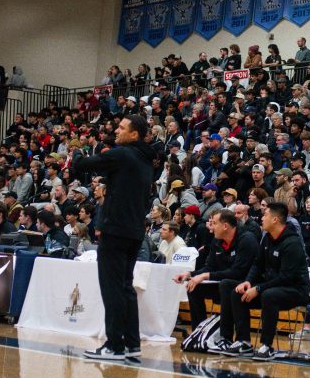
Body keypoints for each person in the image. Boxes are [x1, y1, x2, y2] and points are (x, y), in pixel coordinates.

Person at [71, 114, 162, 361]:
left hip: (115, 231)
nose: (117, 131)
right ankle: (131, 344)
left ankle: (114, 345)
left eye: (122, 128)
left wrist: (77, 150)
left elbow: (82, 165)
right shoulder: (145, 160)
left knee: (112, 289)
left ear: (134, 134)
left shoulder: (123, 154)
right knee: (125, 288)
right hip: (134, 232)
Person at [218, 201, 310, 360]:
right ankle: (243, 342)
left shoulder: (292, 242)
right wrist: (248, 282)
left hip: (295, 290)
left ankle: (267, 345)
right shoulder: (267, 238)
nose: (261, 218)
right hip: (271, 286)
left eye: (265, 215)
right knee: (236, 291)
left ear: (275, 219)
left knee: (269, 295)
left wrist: (258, 289)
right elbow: (257, 264)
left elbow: (285, 277)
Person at [177, 209, 260, 340]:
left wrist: (205, 276)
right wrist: (190, 274)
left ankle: (225, 338)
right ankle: (199, 334)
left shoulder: (246, 239)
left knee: (225, 285)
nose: (211, 227)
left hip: (243, 284)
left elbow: (238, 272)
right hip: (223, 283)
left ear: (225, 226)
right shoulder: (217, 241)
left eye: (214, 223)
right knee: (194, 286)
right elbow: (209, 267)